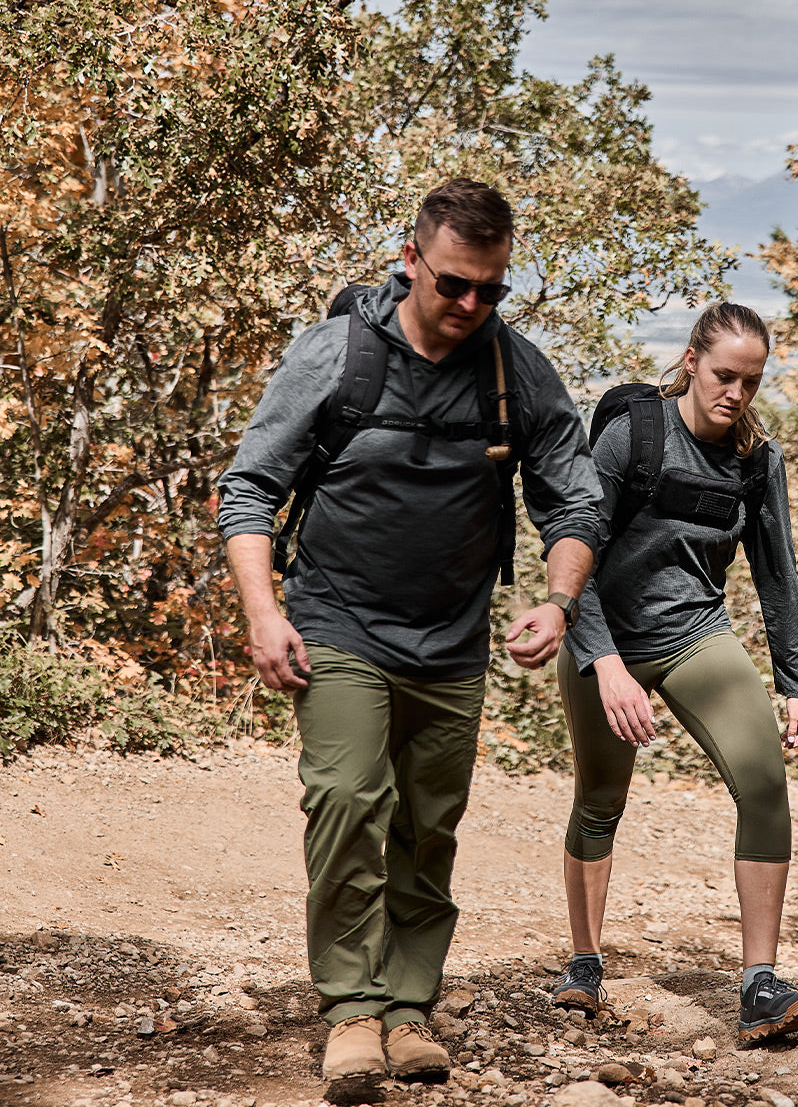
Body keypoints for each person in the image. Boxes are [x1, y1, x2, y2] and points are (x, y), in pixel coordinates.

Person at [217, 179, 601, 1088]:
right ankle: (351, 1010)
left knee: (429, 826)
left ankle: (408, 1005)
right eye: (454, 284)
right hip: (338, 623)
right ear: (411, 262)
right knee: (350, 800)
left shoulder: (515, 369)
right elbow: (249, 489)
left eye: (492, 288)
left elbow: (575, 497)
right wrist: (263, 613)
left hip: (453, 640)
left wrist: (558, 598)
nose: (471, 304)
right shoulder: (338, 354)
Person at [551, 301, 798, 1045]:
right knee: (601, 796)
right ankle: (583, 966)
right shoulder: (631, 437)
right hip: (600, 636)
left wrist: (794, 681)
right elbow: (573, 555)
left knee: (765, 783)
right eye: (723, 375)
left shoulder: (755, 460)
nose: (735, 392)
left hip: (695, 636)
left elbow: (778, 575)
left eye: (751, 380)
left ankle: (759, 987)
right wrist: (605, 664)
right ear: (689, 363)